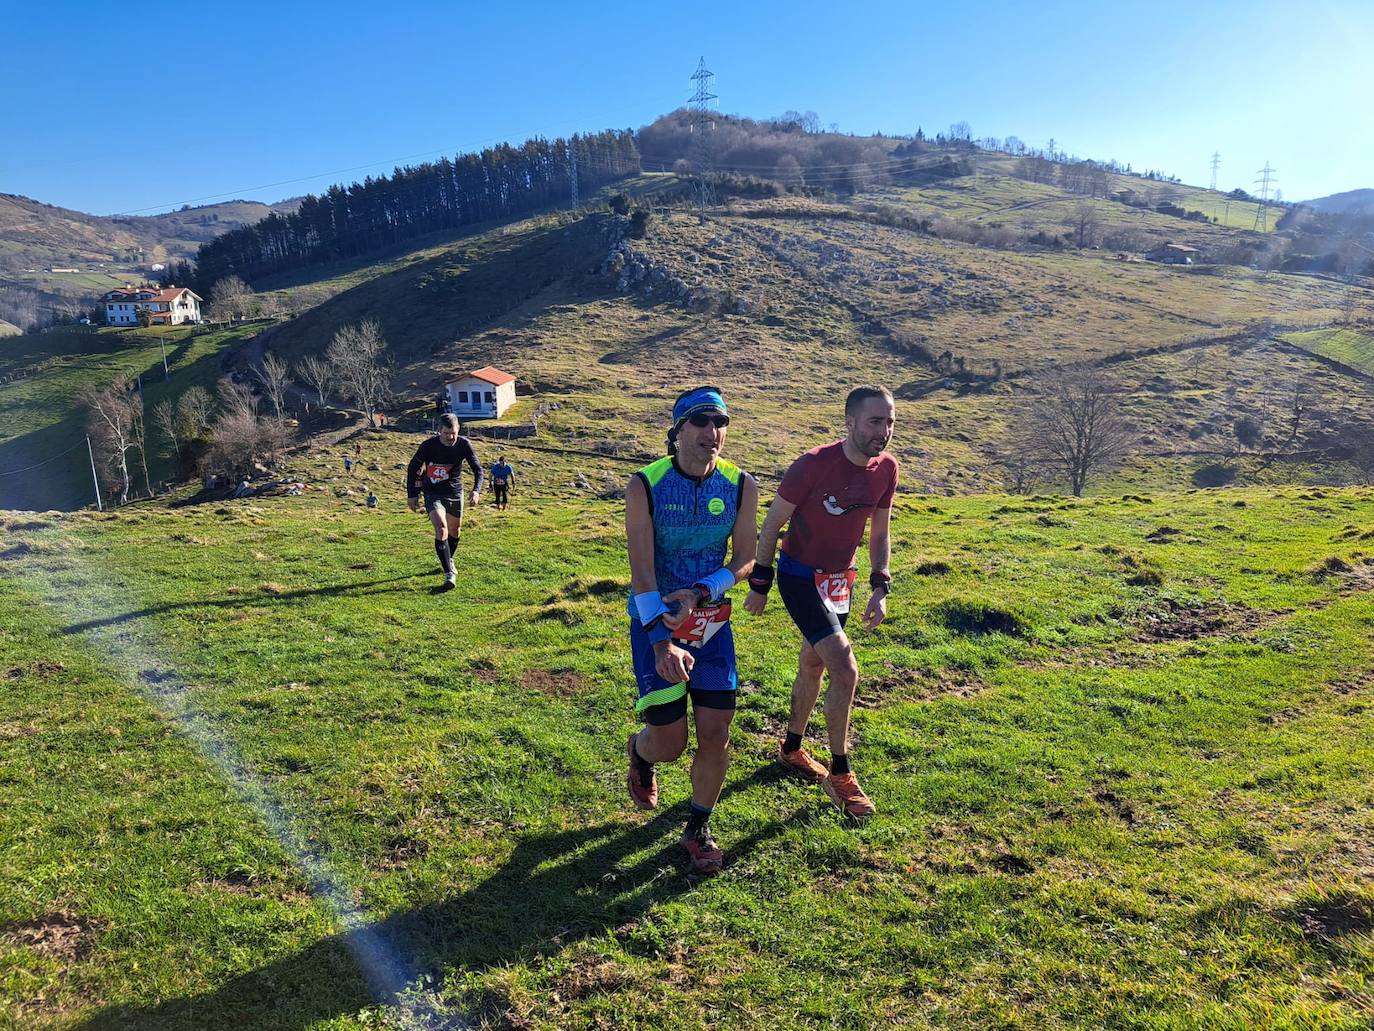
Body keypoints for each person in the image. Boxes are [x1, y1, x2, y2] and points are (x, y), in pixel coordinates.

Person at [744, 385, 897, 821]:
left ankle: (791, 749)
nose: (883, 431)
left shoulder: (887, 469)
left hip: (840, 581)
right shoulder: (812, 465)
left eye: (889, 422)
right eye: (874, 421)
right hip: (799, 577)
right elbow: (772, 525)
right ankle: (840, 774)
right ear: (850, 422)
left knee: (813, 664)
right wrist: (760, 582)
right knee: (845, 670)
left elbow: (880, 531)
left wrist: (880, 583)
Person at [624, 386, 758, 874]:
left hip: (711, 624)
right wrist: (662, 642)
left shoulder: (740, 485)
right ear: (678, 430)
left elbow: (745, 560)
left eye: (720, 423)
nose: (712, 432)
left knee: (716, 733)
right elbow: (642, 574)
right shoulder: (646, 485)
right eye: (700, 422)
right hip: (655, 622)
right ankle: (640, 751)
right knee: (670, 744)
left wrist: (702, 592)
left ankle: (698, 827)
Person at [406, 414, 483, 589]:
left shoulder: (464, 445)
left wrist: (476, 491)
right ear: (439, 431)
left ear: (458, 430)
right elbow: (413, 468)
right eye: (446, 433)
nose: (450, 437)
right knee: (441, 528)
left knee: (455, 530)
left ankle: (448, 559)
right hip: (432, 492)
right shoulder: (428, 446)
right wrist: (412, 494)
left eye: (453, 433)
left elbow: (478, 470)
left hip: (454, 491)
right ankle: (449, 574)